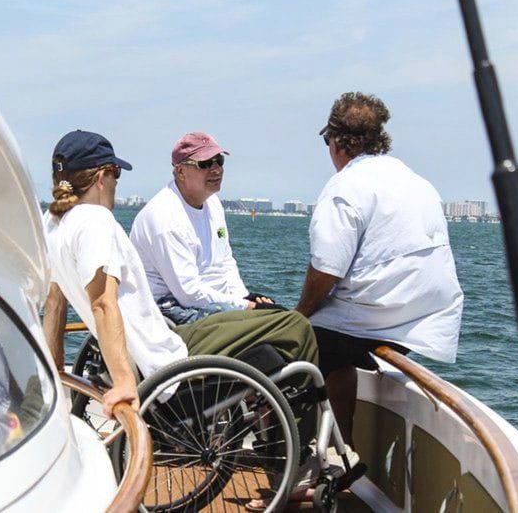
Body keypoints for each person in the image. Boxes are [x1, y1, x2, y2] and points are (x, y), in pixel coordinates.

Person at [42, 130, 321, 505]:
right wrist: (125, 383)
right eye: (116, 176)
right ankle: (297, 461)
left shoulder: (54, 223)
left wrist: (54, 364)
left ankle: (274, 436)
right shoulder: (95, 221)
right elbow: (103, 304)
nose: (116, 187)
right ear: (101, 177)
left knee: (268, 321)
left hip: (159, 345)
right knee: (296, 327)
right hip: (168, 355)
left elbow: (55, 302)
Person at [295, 92, 464, 446]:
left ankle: (300, 461)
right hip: (419, 322)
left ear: (337, 140)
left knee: (289, 348)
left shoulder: (345, 186)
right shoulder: (415, 181)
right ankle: (342, 454)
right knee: (336, 359)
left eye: (327, 139)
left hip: (371, 318)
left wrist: (299, 316)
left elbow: (326, 269)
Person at [130, 132, 281, 325]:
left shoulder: (213, 204)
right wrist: (246, 307)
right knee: (274, 331)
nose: (216, 169)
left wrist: (245, 297)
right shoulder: (165, 218)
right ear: (180, 171)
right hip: (169, 310)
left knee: (282, 319)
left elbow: (225, 263)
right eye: (205, 163)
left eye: (219, 161)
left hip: (209, 304)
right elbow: (189, 293)